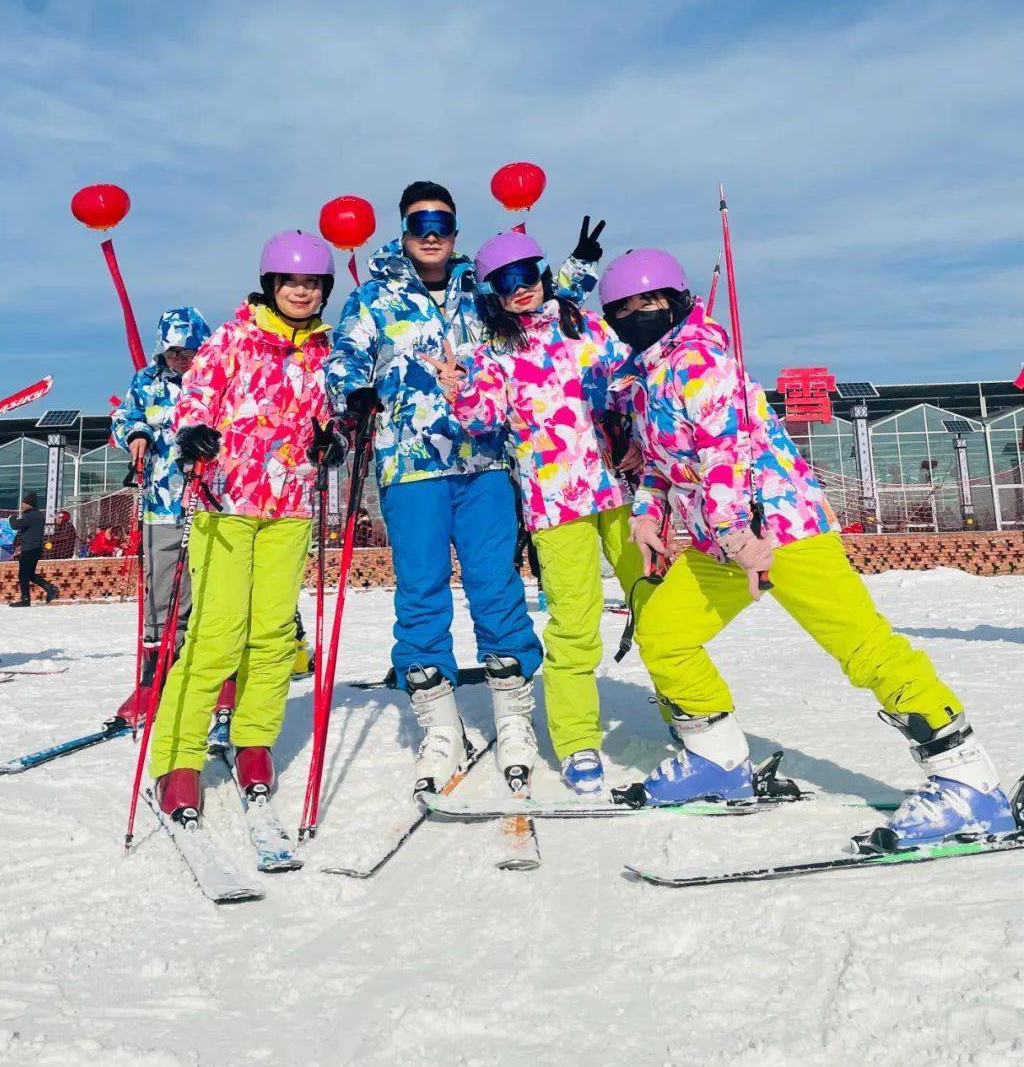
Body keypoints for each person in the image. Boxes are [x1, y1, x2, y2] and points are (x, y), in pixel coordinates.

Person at [599, 247, 1017, 850]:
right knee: (664, 630)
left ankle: (968, 783)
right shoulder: (644, 378)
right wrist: (646, 512)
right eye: (623, 309)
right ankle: (716, 760)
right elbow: (666, 463)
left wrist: (742, 535)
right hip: (724, 540)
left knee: (860, 646)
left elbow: (724, 456)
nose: (637, 314)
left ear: (678, 301)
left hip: (779, 529)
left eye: (649, 302)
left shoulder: (700, 362)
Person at [325, 180, 601, 793]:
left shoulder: (481, 291)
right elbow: (342, 356)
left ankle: (513, 719)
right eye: (420, 221)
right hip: (412, 465)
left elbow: (539, 303)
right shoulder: (373, 298)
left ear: (455, 232)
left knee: (496, 586)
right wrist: (352, 391)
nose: (431, 233)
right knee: (421, 593)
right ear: (402, 230)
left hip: (485, 461)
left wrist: (578, 269)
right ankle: (440, 727)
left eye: (442, 223)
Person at [432, 229, 644, 795]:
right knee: (575, 623)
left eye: (527, 275)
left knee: (655, 600)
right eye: (505, 282)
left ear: (543, 274)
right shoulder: (491, 351)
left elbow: (627, 380)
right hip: (556, 500)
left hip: (619, 489)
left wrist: (632, 411)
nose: (519, 289)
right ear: (491, 293)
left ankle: (692, 715)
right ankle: (577, 740)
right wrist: (457, 387)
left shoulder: (585, 324)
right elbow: (482, 422)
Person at [148, 231, 345, 820]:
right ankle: (177, 757)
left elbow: (328, 416)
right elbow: (196, 397)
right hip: (225, 502)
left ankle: (254, 739)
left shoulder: (327, 349)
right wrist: (190, 433)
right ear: (271, 285)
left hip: (290, 506)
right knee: (217, 634)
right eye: (292, 282)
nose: (302, 292)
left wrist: (332, 442)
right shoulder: (233, 338)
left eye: (312, 284)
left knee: (273, 635)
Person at [110, 307, 213, 726]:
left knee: (210, 592)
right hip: (162, 504)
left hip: (210, 503)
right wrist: (136, 433)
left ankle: (213, 677)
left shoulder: (215, 376)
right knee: (161, 594)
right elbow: (126, 416)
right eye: (173, 351)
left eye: (188, 350)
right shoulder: (147, 381)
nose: (180, 358)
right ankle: (155, 676)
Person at [8, 491, 58, 606]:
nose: (21, 505)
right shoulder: (37, 515)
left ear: (28, 504)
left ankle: (26, 599)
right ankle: (50, 588)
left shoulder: (31, 516)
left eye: (23, 503)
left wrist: (12, 518)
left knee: (23, 575)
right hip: (35, 548)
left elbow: (15, 525)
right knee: (29, 574)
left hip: (30, 549)